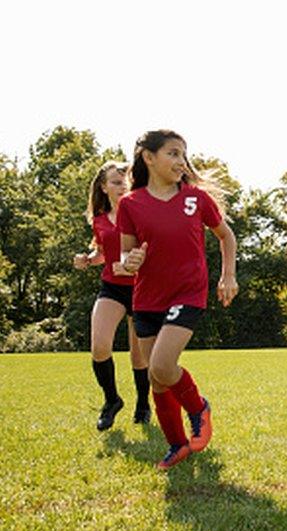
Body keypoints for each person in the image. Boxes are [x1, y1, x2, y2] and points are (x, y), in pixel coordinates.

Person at [118, 129, 238, 469]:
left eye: (183, 154)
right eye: (172, 153)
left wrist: (227, 275)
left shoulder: (196, 198)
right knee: (158, 379)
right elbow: (125, 256)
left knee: (160, 366)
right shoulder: (130, 204)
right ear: (149, 157)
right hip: (146, 299)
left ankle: (199, 408)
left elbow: (226, 236)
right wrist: (130, 262)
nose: (180, 161)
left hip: (188, 292)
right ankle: (176, 445)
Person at [72, 161, 150, 430]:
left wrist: (131, 266)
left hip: (142, 289)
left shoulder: (141, 214)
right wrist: (88, 259)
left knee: (138, 356)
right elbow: (104, 253)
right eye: (116, 182)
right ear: (104, 187)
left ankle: (143, 403)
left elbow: (155, 251)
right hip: (112, 289)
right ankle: (112, 400)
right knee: (99, 346)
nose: (123, 186)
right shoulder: (99, 220)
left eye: (126, 181)